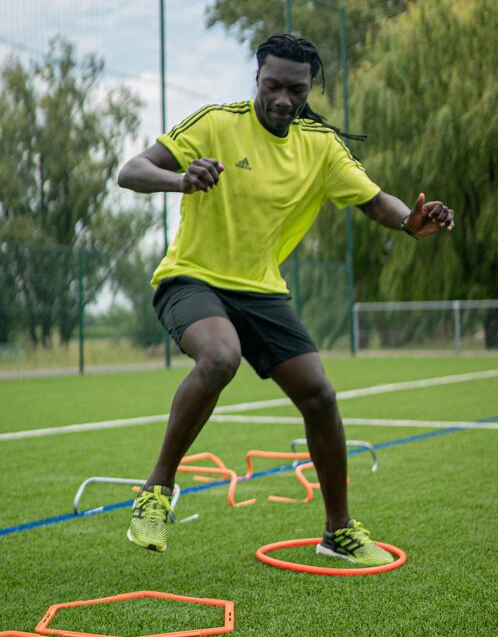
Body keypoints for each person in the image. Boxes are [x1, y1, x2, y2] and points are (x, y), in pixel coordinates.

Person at [117, 33, 454, 564]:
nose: (281, 99)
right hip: (192, 279)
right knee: (220, 356)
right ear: (257, 78)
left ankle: (337, 530)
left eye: (294, 89)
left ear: (308, 88)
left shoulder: (318, 145)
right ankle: (155, 492)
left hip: (262, 291)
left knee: (319, 396)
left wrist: (411, 223)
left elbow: (374, 201)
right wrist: (181, 179)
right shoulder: (216, 122)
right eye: (271, 85)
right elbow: (130, 171)